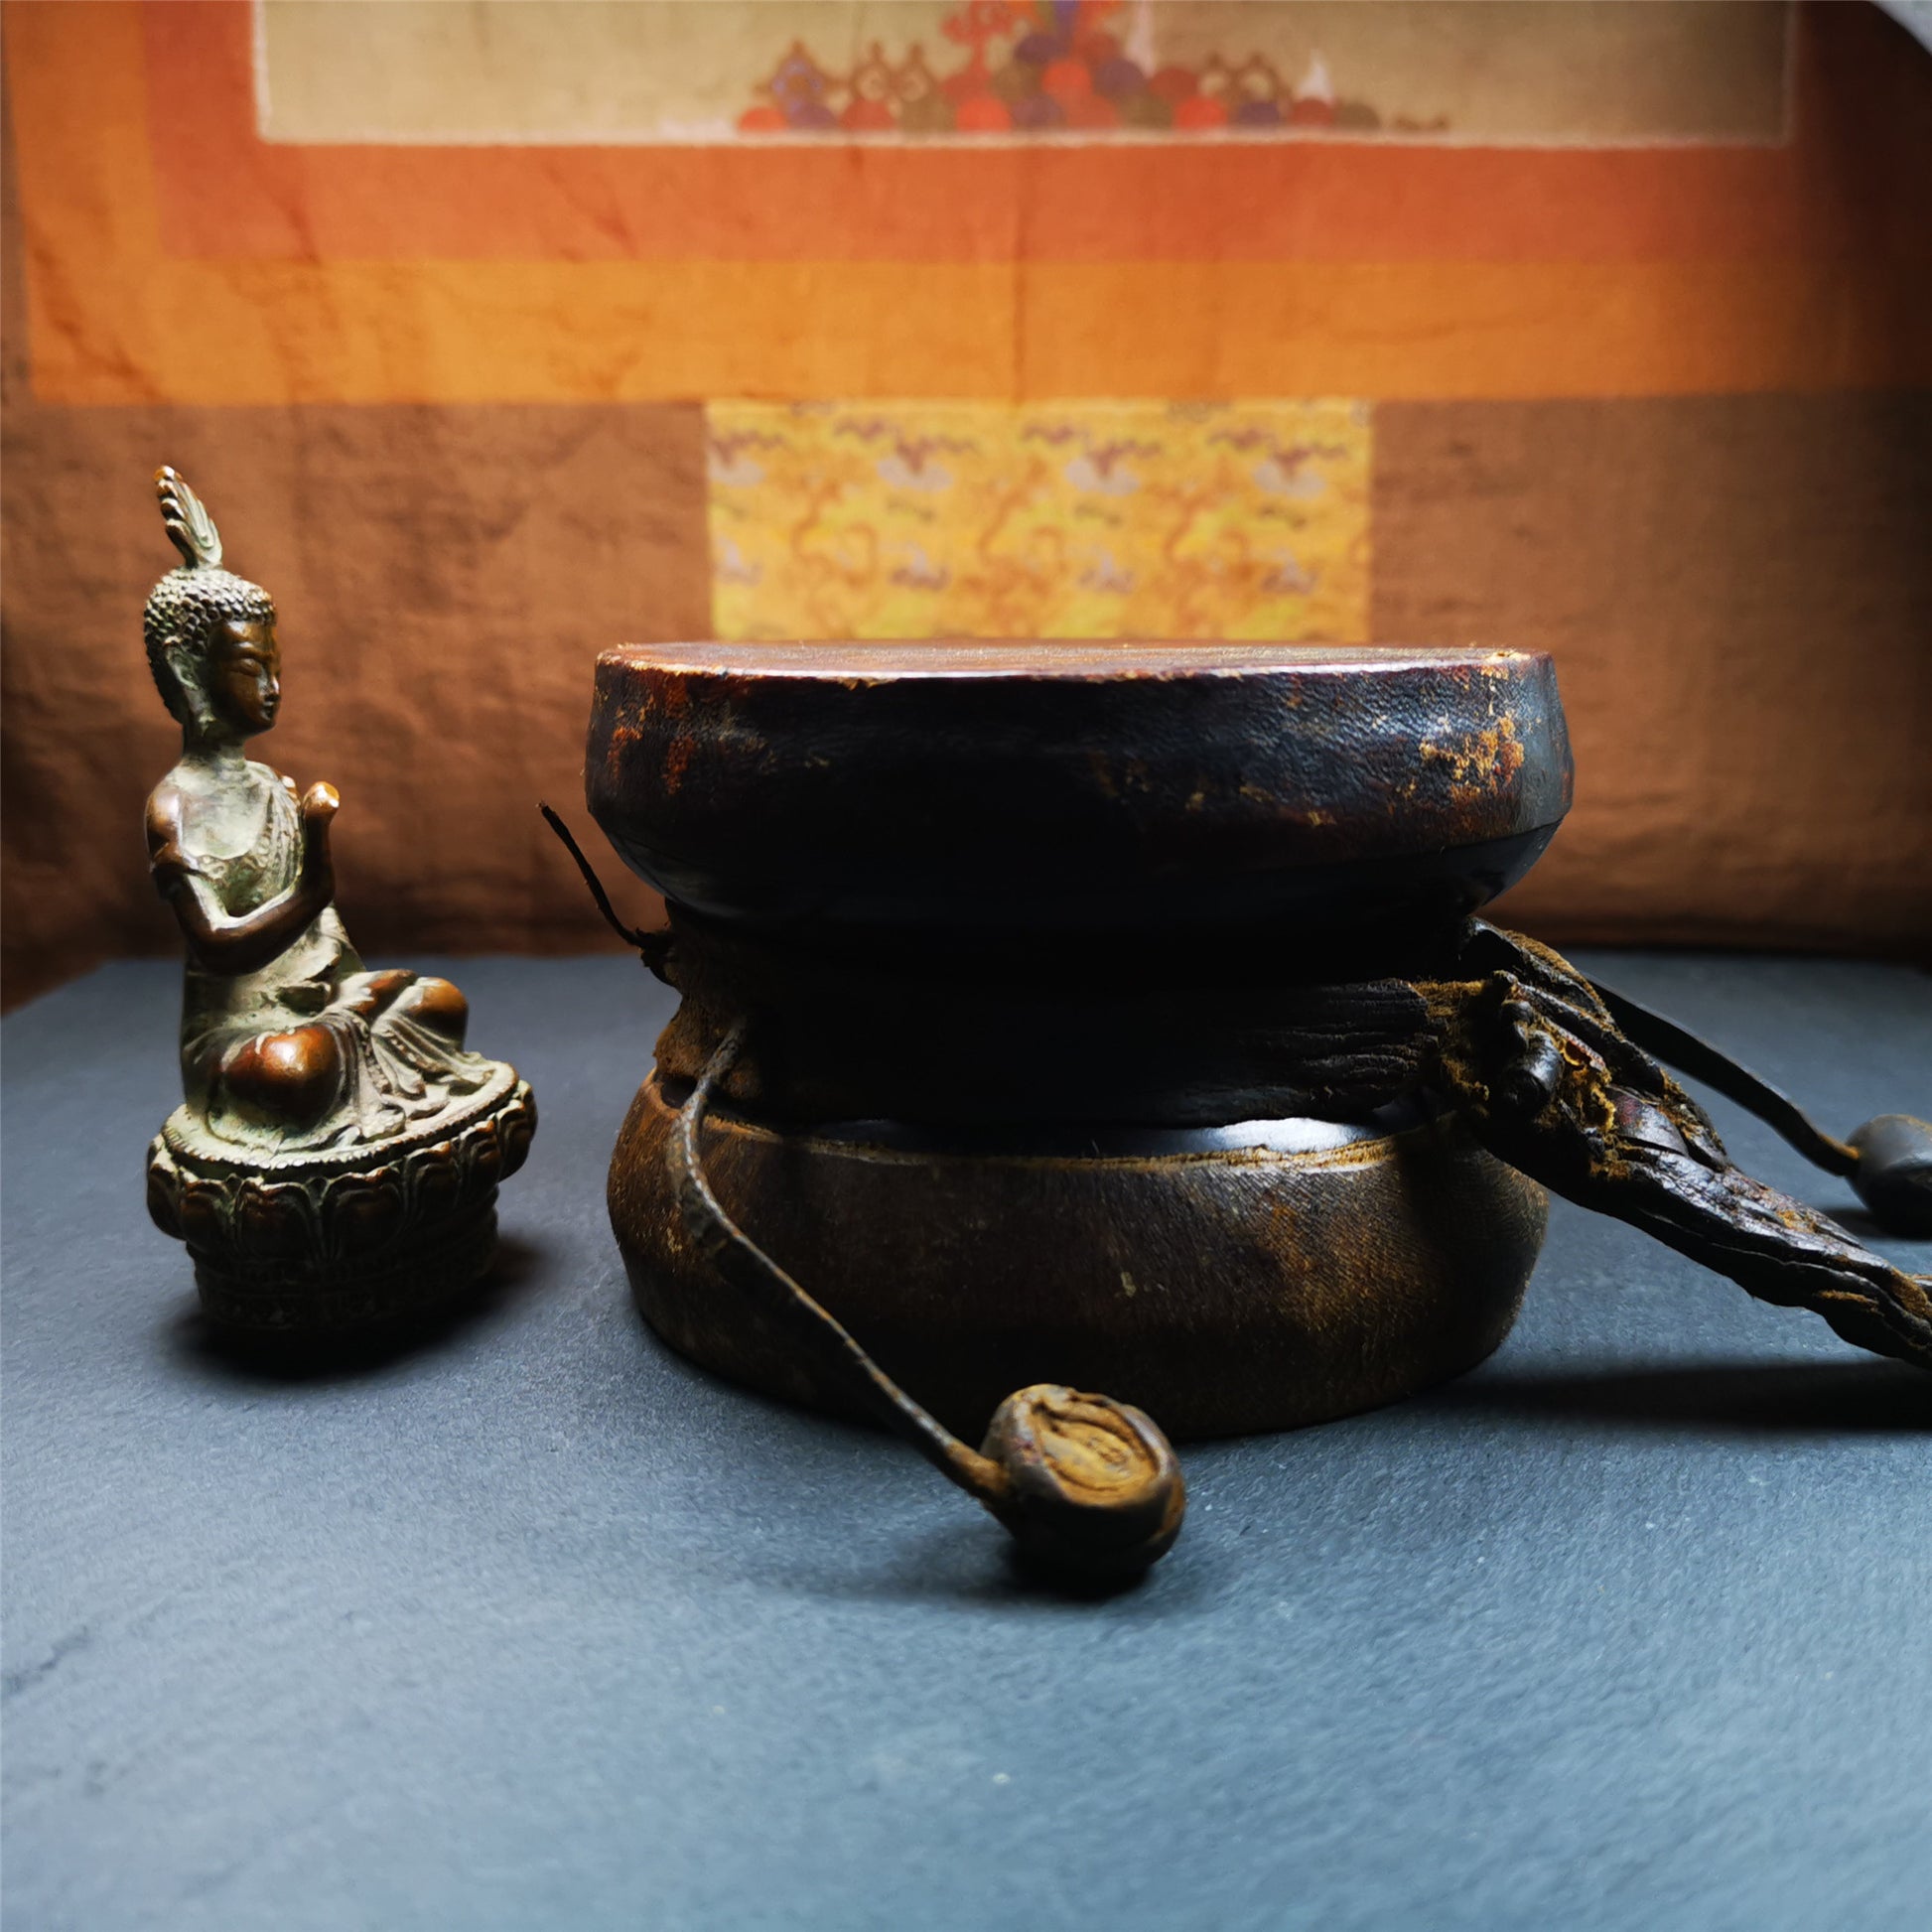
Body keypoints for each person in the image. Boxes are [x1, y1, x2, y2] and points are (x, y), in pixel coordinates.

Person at [142, 468, 485, 1154]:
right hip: (244, 1033)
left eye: (277, 667)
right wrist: (311, 888)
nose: (272, 688)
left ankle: (348, 1062)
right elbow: (215, 945)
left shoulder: (273, 787)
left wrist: (339, 988)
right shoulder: (174, 805)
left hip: (316, 1003)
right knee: (297, 1070)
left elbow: (325, 946)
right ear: (191, 674)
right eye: (250, 668)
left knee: (439, 1002)